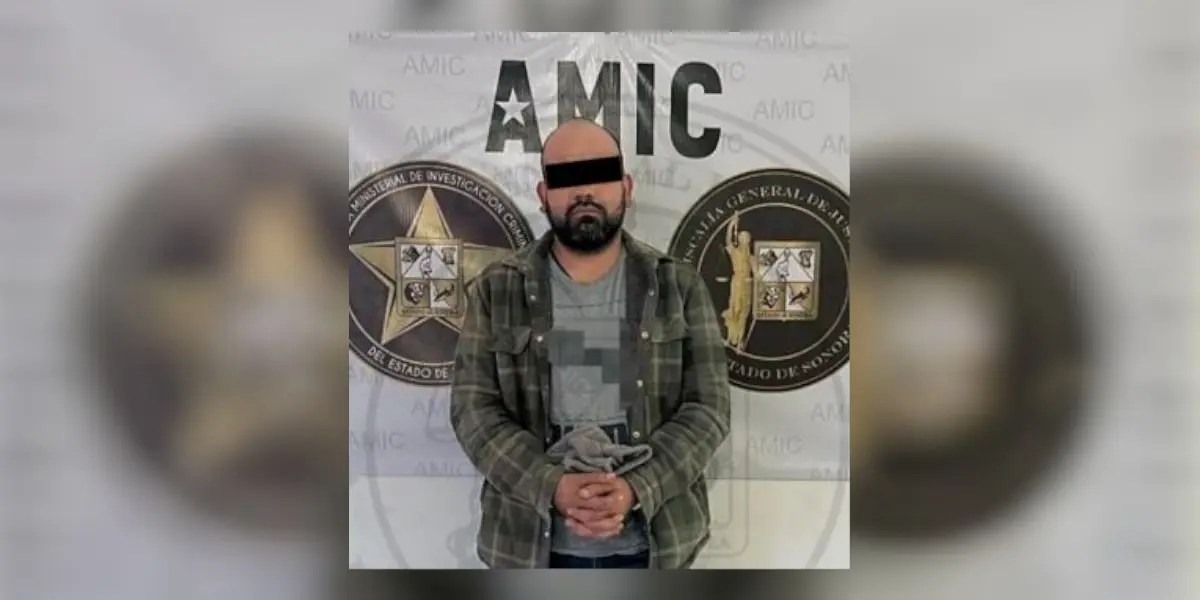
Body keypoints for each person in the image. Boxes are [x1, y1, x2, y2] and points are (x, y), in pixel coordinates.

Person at [450, 118, 731, 569]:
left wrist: (638, 486)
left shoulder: (680, 287)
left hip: (655, 546)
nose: (584, 191)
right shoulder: (496, 291)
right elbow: (473, 411)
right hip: (529, 548)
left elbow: (709, 408)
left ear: (626, 187)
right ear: (543, 194)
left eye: (599, 174)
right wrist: (552, 485)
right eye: (566, 178)